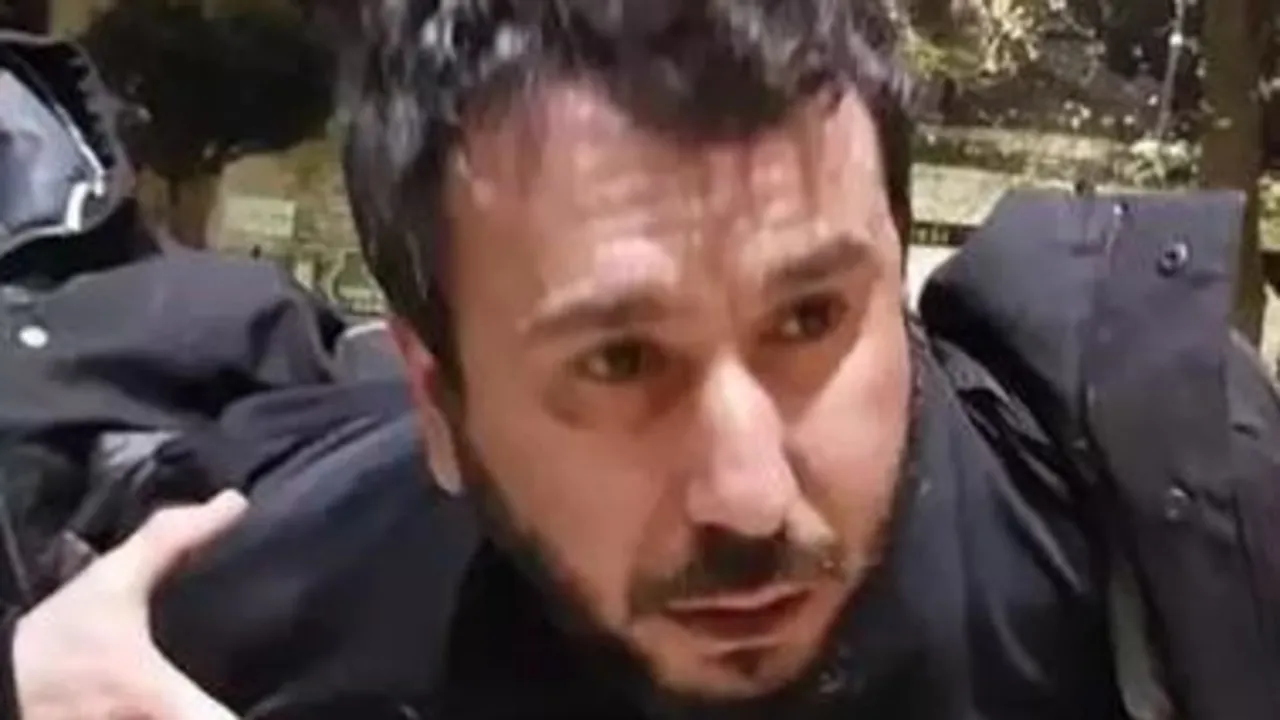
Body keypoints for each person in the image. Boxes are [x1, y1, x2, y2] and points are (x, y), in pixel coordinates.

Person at [9, 1, 1280, 719]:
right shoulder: (240, 630)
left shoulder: (1179, 546)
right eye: (619, 360)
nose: (749, 496)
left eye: (809, 319)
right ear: (441, 402)